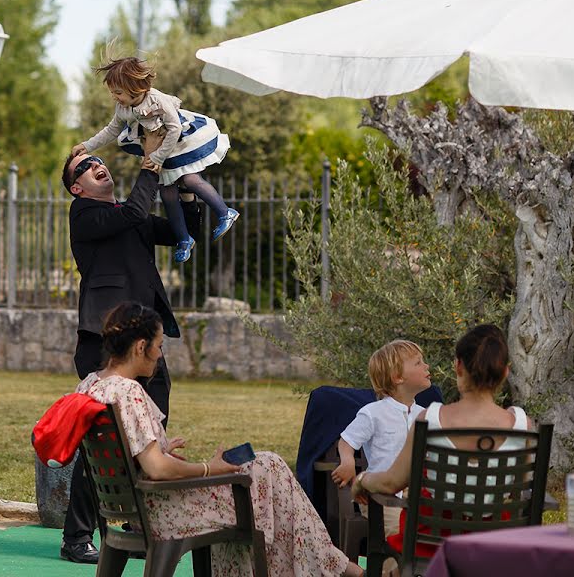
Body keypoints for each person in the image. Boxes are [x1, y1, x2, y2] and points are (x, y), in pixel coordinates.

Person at [76, 302, 364, 577]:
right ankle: (334, 565)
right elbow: (157, 470)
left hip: (133, 508)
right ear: (141, 347)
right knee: (269, 467)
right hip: (164, 512)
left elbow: (136, 456)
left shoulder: (91, 385)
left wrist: (162, 447)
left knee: (262, 475)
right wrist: (208, 468)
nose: (161, 355)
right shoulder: (129, 392)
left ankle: (331, 564)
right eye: (159, 346)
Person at [59, 137, 200, 563]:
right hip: (105, 345)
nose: (97, 166)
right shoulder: (85, 214)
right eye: (85, 167)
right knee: (104, 440)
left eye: (98, 160)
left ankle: (137, 525)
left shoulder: (127, 216)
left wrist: (184, 180)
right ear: (76, 188)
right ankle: (77, 537)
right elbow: (138, 209)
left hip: (145, 345)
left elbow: (182, 228)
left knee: (149, 432)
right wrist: (152, 167)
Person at [351, 324, 532, 564]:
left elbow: (391, 482)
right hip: (496, 548)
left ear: (458, 366)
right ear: (505, 372)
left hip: (430, 547)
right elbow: (519, 492)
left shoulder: (430, 419)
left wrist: (362, 480)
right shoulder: (524, 425)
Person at [71, 55, 238, 263]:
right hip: (159, 149)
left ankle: (225, 212)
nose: (115, 97)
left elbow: (175, 128)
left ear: (135, 88)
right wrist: (87, 145)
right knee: (167, 193)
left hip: (178, 144)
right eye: (112, 92)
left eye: (118, 92)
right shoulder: (123, 108)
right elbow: (111, 130)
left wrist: (158, 156)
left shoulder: (157, 100)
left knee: (190, 180)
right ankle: (183, 239)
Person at [331, 340, 430, 538]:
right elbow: (347, 441)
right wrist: (348, 461)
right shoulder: (373, 413)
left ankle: (399, 569)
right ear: (397, 377)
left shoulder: (426, 415)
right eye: (418, 363)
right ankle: (390, 569)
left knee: (429, 532)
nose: (426, 366)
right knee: (401, 535)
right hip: (381, 498)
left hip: (419, 497)